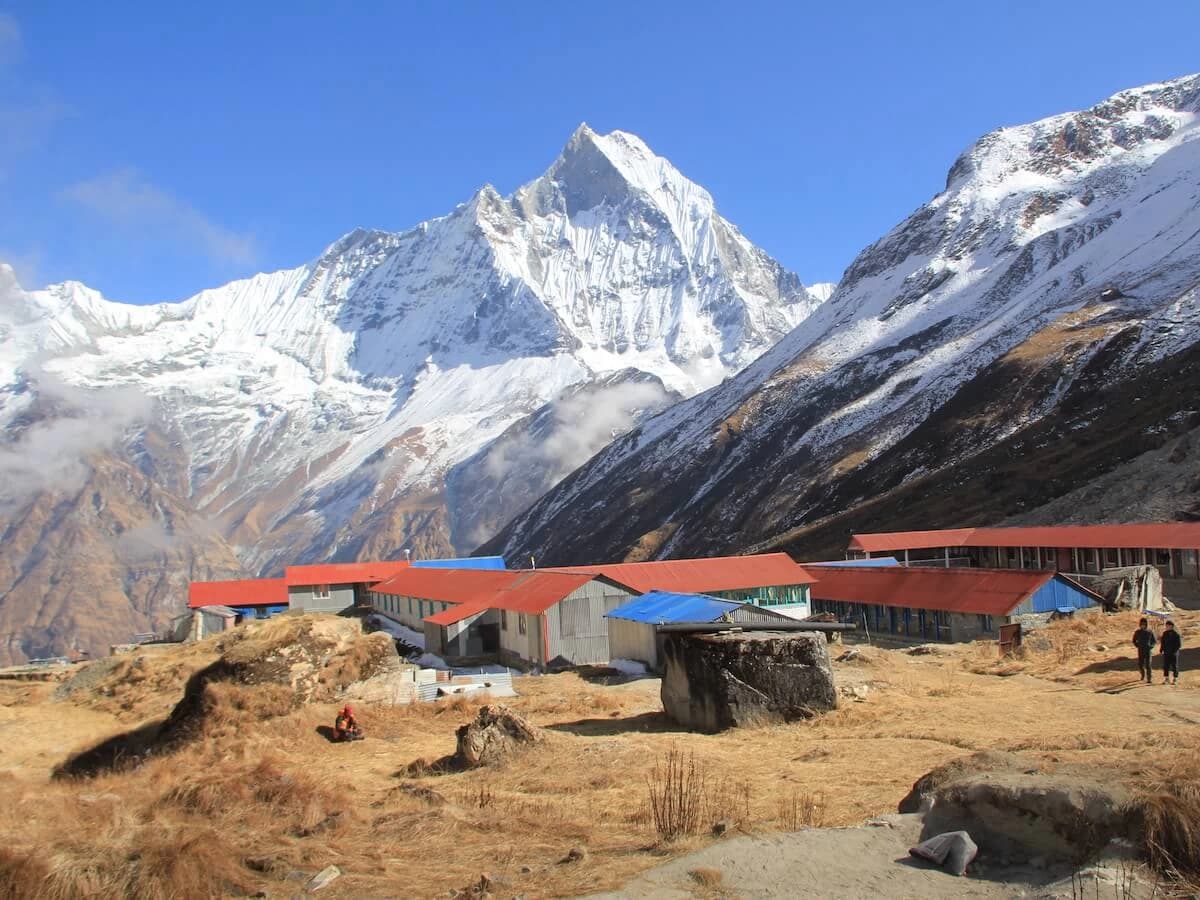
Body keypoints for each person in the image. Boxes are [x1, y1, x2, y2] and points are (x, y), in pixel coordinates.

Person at [1133, 617, 1157, 684]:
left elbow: (1154, 641)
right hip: (1140, 650)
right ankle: (1143, 675)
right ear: (1140, 625)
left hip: (1148, 650)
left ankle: (1149, 678)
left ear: (1146, 624)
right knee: (1140, 664)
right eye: (1141, 624)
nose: (1143, 625)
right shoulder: (1137, 632)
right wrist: (1137, 645)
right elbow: (1134, 640)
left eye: (1144, 624)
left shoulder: (1150, 632)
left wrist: (1151, 646)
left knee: (1148, 665)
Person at [1160, 620, 1182, 685]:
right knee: (1166, 666)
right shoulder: (1165, 634)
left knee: (1174, 666)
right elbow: (1163, 643)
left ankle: (1175, 679)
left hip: (1174, 653)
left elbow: (1179, 645)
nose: (1166, 627)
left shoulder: (1176, 634)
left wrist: (1174, 651)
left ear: (1172, 626)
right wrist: (1161, 649)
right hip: (1166, 652)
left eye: (1168, 626)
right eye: (1166, 626)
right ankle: (1166, 678)